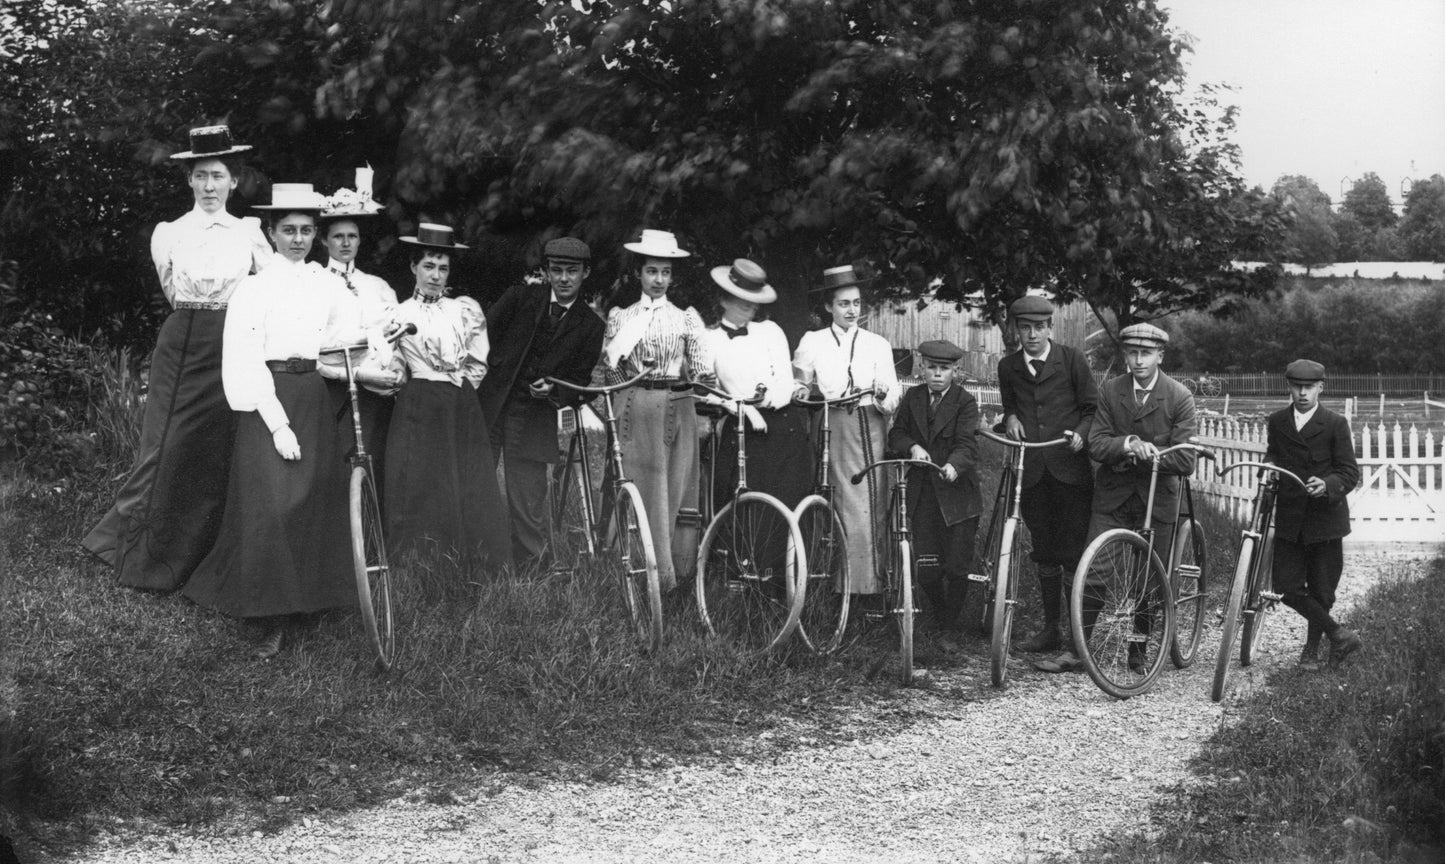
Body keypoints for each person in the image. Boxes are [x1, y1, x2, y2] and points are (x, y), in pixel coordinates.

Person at [84, 125, 272, 591]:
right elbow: (172, 292)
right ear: (189, 180)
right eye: (201, 176)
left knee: (213, 448)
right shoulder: (170, 233)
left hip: (232, 340)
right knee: (164, 444)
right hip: (183, 338)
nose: (210, 187)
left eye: (219, 176)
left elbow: (269, 291)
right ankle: (134, 550)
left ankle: (197, 555)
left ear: (234, 181)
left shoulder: (249, 233)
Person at [182, 184, 362, 658]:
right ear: (271, 232)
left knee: (311, 499)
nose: (298, 239)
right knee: (273, 503)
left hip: (312, 393)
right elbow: (243, 357)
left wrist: (376, 342)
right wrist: (277, 423)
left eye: (306, 230)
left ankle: (308, 601)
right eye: (288, 230)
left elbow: (346, 336)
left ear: (316, 234)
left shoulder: (325, 284)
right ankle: (270, 615)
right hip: (267, 396)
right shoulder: (254, 287)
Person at [1037, 323, 1196, 674]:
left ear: (1160, 355)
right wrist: (1126, 444)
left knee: (1148, 578)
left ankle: (1137, 650)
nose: (1139, 360)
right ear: (1125, 355)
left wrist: (1153, 453)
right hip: (1114, 497)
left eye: (1146, 353)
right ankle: (1078, 651)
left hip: (1158, 499)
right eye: (1132, 353)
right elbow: (1096, 443)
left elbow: (1186, 459)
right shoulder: (1111, 390)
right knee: (1094, 569)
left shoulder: (1179, 396)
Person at [384, 223, 511, 567]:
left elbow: (476, 359)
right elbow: (392, 361)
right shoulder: (399, 313)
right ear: (413, 267)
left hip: (459, 403)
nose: (436, 276)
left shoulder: (462, 310)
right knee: (424, 479)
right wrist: (410, 379)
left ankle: (469, 559)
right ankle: (422, 561)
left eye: (443, 268)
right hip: (419, 402)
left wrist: (459, 388)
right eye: (428, 266)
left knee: (466, 477)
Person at [477, 236, 606, 567]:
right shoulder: (520, 298)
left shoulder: (591, 326)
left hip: (535, 418)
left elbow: (580, 381)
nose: (564, 279)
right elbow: (481, 339)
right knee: (477, 486)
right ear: (547, 271)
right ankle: (476, 560)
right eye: (557, 270)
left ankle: (531, 569)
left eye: (572, 272)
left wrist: (555, 391)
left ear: (585, 273)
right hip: (492, 407)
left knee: (528, 498)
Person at [601, 229, 712, 592]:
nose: (659, 280)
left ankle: (671, 576)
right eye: (652, 272)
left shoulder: (686, 318)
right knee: (638, 485)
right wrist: (629, 392)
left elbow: (700, 370)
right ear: (639, 273)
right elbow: (613, 369)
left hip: (677, 407)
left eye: (665, 272)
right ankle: (632, 570)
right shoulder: (621, 317)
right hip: (636, 406)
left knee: (674, 489)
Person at [996, 295, 1098, 654]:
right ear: (1017, 331)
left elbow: (1091, 409)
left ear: (1049, 328)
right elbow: (1010, 407)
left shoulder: (1071, 359)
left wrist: (1082, 435)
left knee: (1073, 550)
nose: (1032, 335)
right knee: (1044, 550)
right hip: (1034, 472)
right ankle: (1050, 629)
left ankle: (1076, 635)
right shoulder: (1008, 367)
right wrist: (1009, 418)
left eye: (1039, 328)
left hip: (1070, 472)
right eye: (1025, 328)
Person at [792, 264, 900, 600]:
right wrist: (801, 390)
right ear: (828, 307)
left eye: (855, 303)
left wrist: (883, 393)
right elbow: (800, 381)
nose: (851, 310)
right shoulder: (813, 342)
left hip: (870, 426)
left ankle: (872, 587)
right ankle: (839, 585)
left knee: (872, 503)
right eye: (843, 304)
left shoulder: (877, 344)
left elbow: (895, 395)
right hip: (831, 426)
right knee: (838, 503)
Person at [1265, 359, 1362, 666]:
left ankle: (1311, 650)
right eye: (1297, 386)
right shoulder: (1278, 421)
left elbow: (1349, 472)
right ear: (1289, 387)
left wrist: (1328, 484)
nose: (1303, 393)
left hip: (1325, 520)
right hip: (1291, 519)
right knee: (1285, 587)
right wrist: (1269, 467)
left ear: (1321, 387)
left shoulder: (1334, 423)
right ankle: (1339, 634)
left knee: (1322, 590)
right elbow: (1274, 454)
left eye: (1309, 387)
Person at [699, 259, 812, 513]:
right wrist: (741, 407)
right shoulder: (710, 340)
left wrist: (767, 400)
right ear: (724, 300)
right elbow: (709, 392)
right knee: (743, 503)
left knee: (786, 501)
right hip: (742, 430)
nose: (749, 306)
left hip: (783, 427)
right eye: (741, 299)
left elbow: (784, 379)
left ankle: (788, 553)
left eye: (753, 300)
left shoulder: (770, 331)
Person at [886, 340, 981, 638]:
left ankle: (950, 627)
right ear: (922, 368)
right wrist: (912, 446)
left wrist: (954, 464)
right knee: (926, 567)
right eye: (931, 368)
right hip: (923, 493)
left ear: (955, 371)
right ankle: (940, 615)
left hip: (956, 494)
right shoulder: (913, 397)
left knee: (956, 566)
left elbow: (967, 443)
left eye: (944, 369)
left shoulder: (964, 402)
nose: (937, 374)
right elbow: (896, 434)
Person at [318, 173, 400, 491]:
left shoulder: (375, 286)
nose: (346, 243)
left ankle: (374, 533)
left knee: (378, 462)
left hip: (376, 392)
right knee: (336, 467)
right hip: (334, 387)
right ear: (324, 240)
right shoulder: (316, 284)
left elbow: (398, 339)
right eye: (338, 236)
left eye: (352, 235)